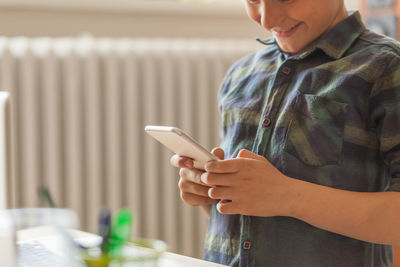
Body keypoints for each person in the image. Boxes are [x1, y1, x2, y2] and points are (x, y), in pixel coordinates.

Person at [170, 0, 400, 266]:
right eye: (254, 0)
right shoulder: (241, 75)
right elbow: (254, 219)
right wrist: (210, 190)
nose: (267, 19)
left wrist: (287, 196)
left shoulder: (386, 68)